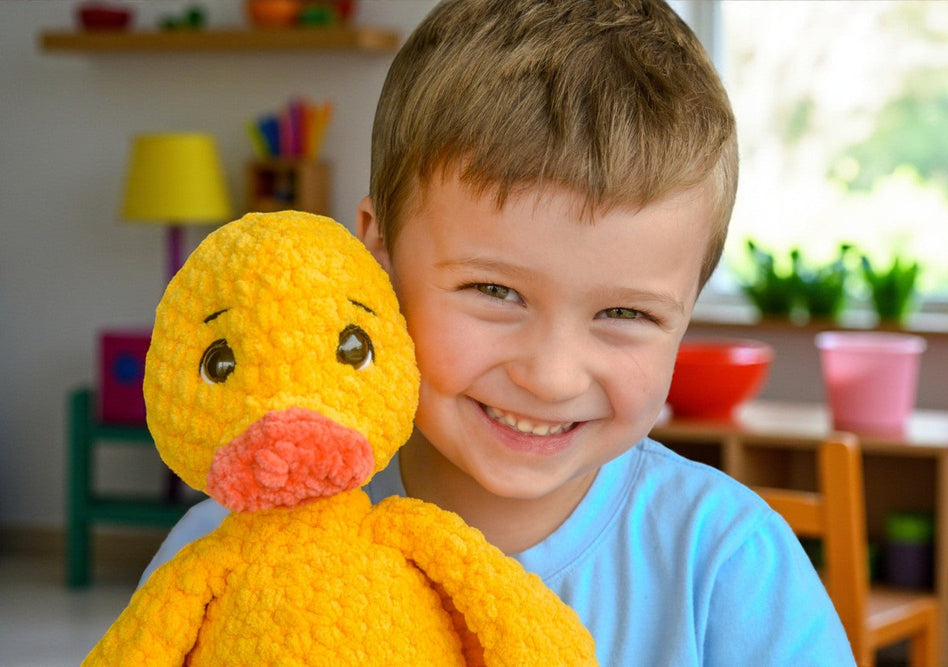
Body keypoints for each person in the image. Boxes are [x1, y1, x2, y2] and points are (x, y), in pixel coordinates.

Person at [141, 0, 854, 664]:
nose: (551, 374)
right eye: (494, 291)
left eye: (625, 313)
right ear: (376, 257)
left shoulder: (728, 563)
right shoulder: (226, 557)